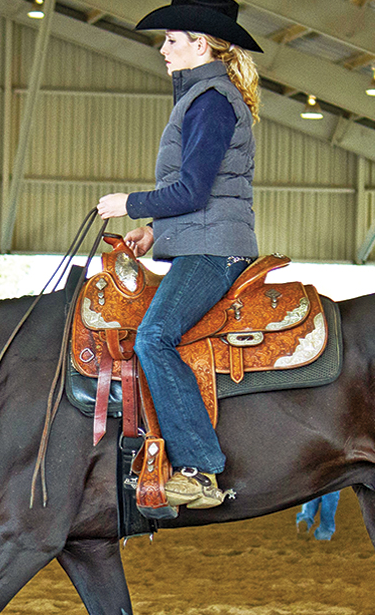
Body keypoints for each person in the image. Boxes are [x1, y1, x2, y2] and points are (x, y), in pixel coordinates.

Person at [97, 0, 262, 511]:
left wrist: (129, 205)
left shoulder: (210, 100)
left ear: (200, 43)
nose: (163, 48)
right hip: (201, 242)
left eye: (172, 39)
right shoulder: (204, 97)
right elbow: (198, 197)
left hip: (213, 252)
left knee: (153, 337)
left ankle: (200, 470)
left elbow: (191, 190)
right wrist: (151, 230)